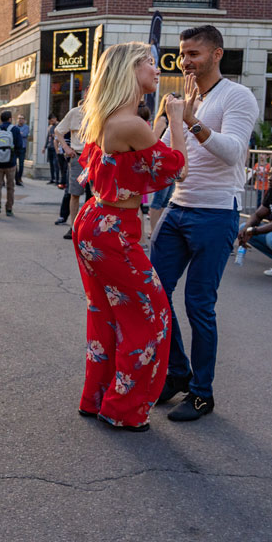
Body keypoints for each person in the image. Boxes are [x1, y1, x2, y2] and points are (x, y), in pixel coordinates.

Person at [73, 42, 187, 432]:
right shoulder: (129, 123)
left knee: (105, 313)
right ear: (130, 71)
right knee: (152, 316)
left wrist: (158, 123)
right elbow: (176, 168)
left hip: (96, 222)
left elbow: (140, 161)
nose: (157, 70)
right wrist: (176, 119)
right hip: (112, 231)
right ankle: (123, 408)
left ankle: (98, 398)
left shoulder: (108, 118)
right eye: (150, 64)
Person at [151, 25, 259, 422]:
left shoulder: (238, 96)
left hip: (216, 212)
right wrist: (168, 122)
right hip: (178, 207)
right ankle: (177, 373)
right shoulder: (181, 99)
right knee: (154, 292)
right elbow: (167, 156)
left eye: (194, 54)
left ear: (217, 54)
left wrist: (193, 121)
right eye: (182, 54)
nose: (186, 62)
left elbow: (232, 152)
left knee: (199, 305)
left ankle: (202, 394)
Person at [56, 99, 87, 237]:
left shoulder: (101, 111)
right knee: (74, 193)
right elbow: (58, 131)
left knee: (95, 196)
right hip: (79, 158)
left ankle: (89, 228)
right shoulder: (75, 112)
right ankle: (74, 227)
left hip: (96, 158)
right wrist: (66, 148)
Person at [148, 93, 175, 234]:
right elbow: (154, 140)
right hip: (162, 163)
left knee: (166, 200)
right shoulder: (163, 120)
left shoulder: (173, 120)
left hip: (171, 164)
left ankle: (160, 229)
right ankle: (153, 231)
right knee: (159, 199)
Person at [0, 110, 22, 218]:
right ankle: (9, 209)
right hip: (11, 163)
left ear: (0, 119)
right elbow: (19, 146)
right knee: (10, 186)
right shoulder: (15, 129)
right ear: (10, 119)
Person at [44, 114, 59, 184]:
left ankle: (57, 179)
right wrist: (44, 147)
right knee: (51, 164)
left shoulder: (59, 126)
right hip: (50, 147)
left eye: (52, 120)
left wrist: (55, 135)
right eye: (50, 121)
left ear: (55, 119)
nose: (51, 122)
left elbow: (61, 136)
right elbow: (48, 137)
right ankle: (52, 178)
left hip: (56, 148)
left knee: (56, 163)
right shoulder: (50, 127)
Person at [14, 114, 29, 186]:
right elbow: (14, 135)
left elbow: (25, 134)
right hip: (15, 147)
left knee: (21, 164)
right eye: (19, 118)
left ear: (24, 120)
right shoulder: (15, 127)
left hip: (22, 147)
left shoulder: (26, 127)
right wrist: (20, 133)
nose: (20, 120)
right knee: (14, 163)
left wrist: (18, 133)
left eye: (22, 118)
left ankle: (19, 177)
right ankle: (16, 177)